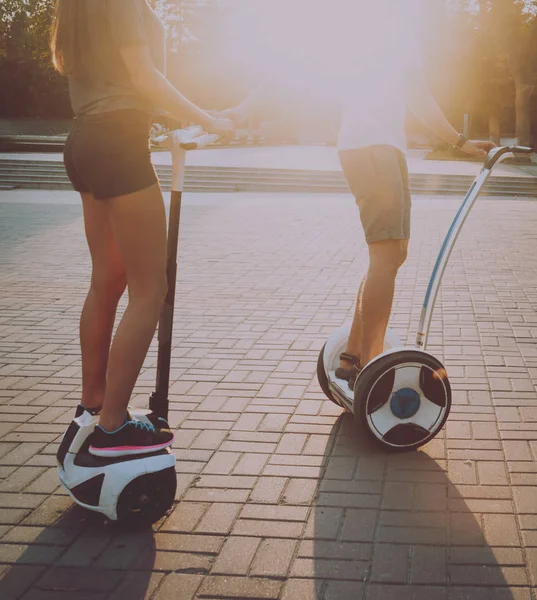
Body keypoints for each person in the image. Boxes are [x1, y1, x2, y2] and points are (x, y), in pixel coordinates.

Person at [223, 2, 495, 389]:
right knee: (386, 256)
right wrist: (460, 141)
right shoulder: (394, 27)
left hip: (378, 148)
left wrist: (459, 142)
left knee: (392, 255)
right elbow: (416, 94)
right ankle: (371, 363)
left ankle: (353, 355)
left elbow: (408, 94)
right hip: (375, 149)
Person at [51, 0, 233, 457]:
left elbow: (121, 80)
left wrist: (182, 115)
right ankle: (113, 426)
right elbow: (142, 76)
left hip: (84, 140)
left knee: (107, 280)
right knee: (150, 287)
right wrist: (209, 118)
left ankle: (93, 403)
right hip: (116, 143)